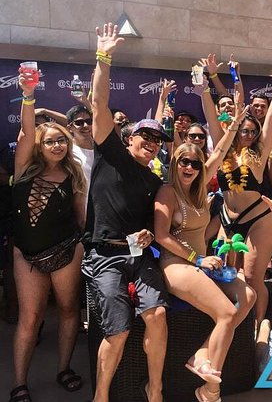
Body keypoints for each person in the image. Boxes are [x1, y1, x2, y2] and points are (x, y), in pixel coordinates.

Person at [81, 23, 170, 402]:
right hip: (104, 256)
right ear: (129, 137)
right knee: (117, 331)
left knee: (158, 315)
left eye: (157, 140)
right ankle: (101, 397)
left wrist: (149, 233)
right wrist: (104, 57)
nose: (152, 143)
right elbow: (99, 104)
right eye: (146, 136)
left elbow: (152, 223)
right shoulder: (111, 152)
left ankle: (155, 389)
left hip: (138, 255)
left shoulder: (154, 180)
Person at [154, 127, 256, 401]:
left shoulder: (198, 191)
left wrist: (234, 123)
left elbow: (220, 151)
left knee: (248, 296)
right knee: (227, 313)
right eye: (184, 162)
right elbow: (161, 235)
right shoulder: (167, 192)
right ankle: (211, 390)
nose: (189, 167)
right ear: (175, 163)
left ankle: (201, 353)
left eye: (195, 164)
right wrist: (197, 258)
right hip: (177, 265)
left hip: (202, 265)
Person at [9, 69, 88, 402]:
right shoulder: (23, 169)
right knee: (30, 318)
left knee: (69, 310)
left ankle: (64, 368)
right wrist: (29, 95)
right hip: (26, 254)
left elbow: (81, 218)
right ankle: (19, 383)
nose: (57, 145)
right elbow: (27, 131)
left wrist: (87, 244)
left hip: (66, 250)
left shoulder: (74, 175)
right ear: (39, 147)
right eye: (50, 141)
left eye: (61, 140)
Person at [216, 57, 272, 326]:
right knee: (227, 274)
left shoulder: (259, 155)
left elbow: (271, 116)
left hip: (257, 219)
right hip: (227, 219)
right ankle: (235, 327)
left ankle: (257, 329)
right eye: (244, 130)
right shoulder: (223, 151)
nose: (249, 135)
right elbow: (216, 115)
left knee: (252, 278)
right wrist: (211, 84)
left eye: (253, 131)